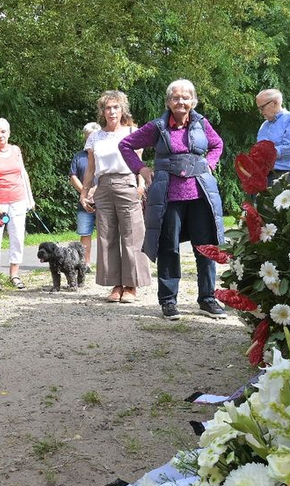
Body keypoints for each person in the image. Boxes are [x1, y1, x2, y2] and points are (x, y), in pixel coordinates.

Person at [121, 80, 227, 321]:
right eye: (176, 98)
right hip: (168, 196)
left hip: (201, 195)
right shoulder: (158, 127)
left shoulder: (202, 124)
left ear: (193, 101)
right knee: (169, 247)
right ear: (168, 101)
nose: (181, 102)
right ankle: (168, 301)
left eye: (186, 97)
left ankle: (208, 298)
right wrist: (141, 169)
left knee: (206, 247)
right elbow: (126, 145)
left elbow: (217, 144)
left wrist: (209, 164)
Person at [80, 90, 149, 303]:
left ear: (122, 110)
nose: (112, 111)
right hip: (104, 186)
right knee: (106, 237)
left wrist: (141, 186)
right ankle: (115, 285)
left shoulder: (132, 132)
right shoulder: (95, 137)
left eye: (116, 107)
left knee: (132, 235)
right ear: (103, 111)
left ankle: (131, 286)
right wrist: (84, 193)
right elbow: (90, 169)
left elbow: (139, 163)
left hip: (127, 183)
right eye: (108, 107)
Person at [0, 118, 33, 290]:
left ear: (9, 133)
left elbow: (23, 173)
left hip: (17, 201)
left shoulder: (16, 150)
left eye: (3, 132)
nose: (0, 135)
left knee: (17, 238)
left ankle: (14, 275)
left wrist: (29, 198)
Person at [255, 88, 290, 181]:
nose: (261, 112)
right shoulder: (264, 126)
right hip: (264, 174)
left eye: (262, 108)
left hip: (285, 175)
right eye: (259, 109)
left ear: (275, 103)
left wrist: (268, 153)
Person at [69, 122, 98, 264]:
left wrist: (95, 190)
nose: (90, 139)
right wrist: (85, 193)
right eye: (88, 137)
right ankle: (85, 264)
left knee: (107, 234)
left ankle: (106, 265)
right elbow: (73, 176)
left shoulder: (104, 154)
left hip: (104, 200)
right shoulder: (78, 156)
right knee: (85, 233)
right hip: (84, 201)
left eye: (93, 137)